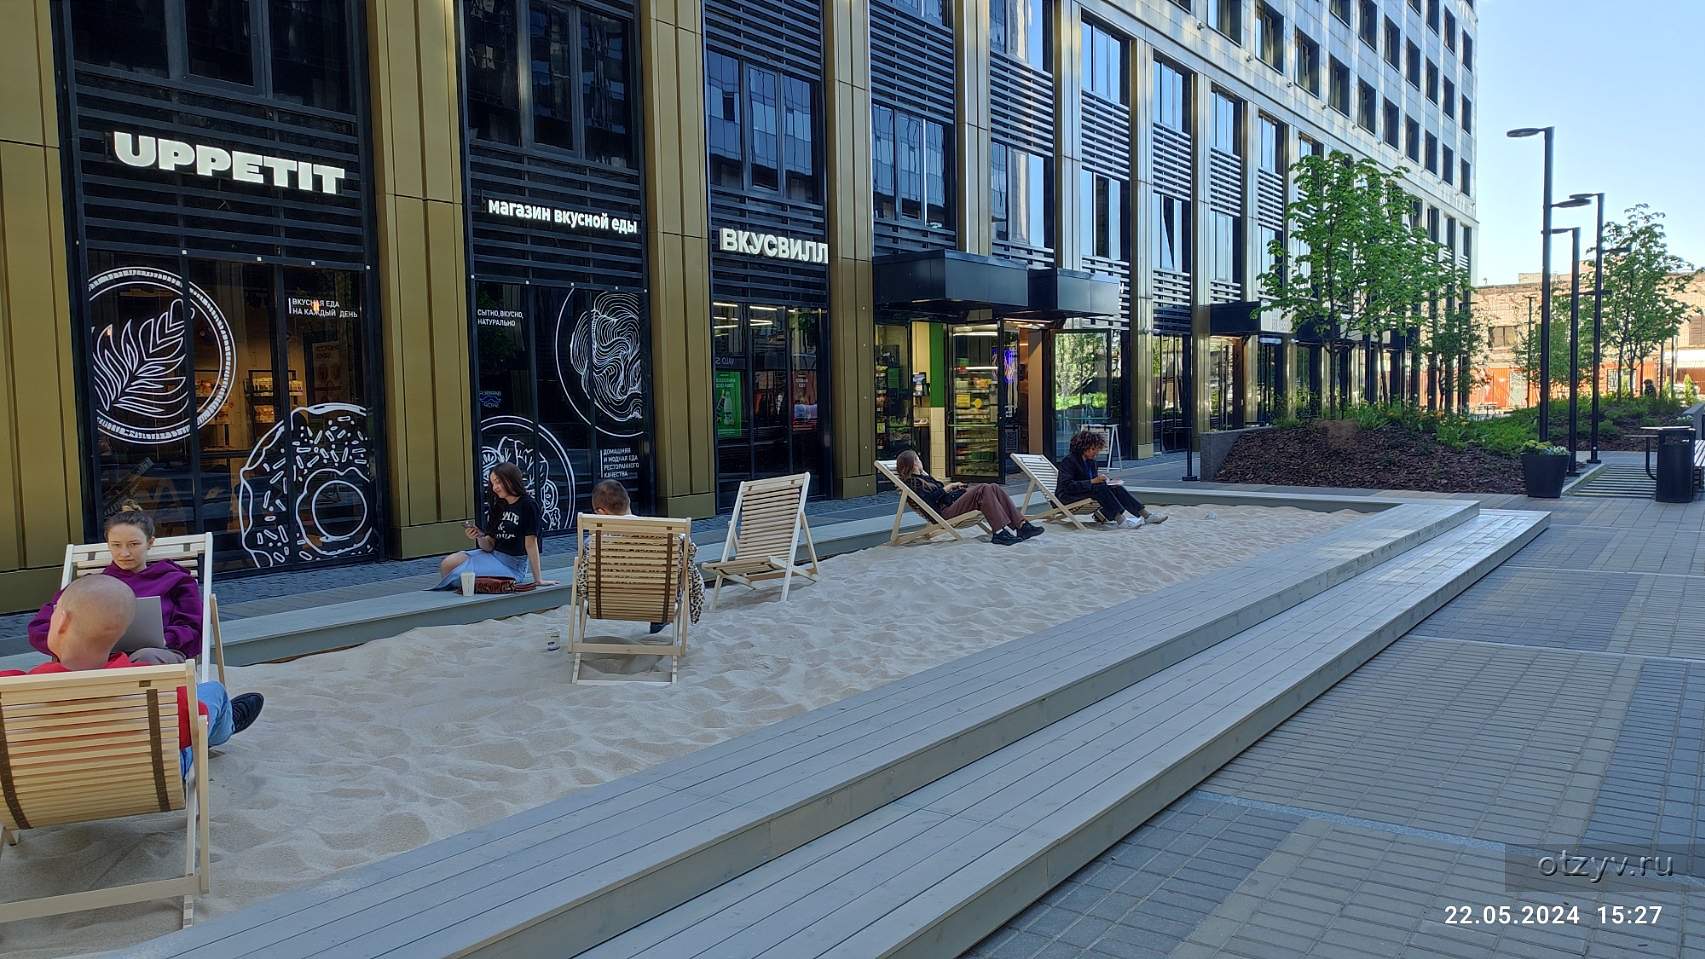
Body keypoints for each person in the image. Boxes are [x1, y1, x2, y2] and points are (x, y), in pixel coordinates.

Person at [2, 576, 262, 774]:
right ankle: (226, 728)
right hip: (144, 781)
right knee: (212, 693)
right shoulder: (154, 687)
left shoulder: (11, 686)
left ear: (61, 621)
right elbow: (192, 731)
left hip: (43, 788)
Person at [28, 501, 202, 666]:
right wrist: (71, 645)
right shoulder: (91, 585)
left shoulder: (175, 580)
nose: (124, 553)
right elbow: (40, 627)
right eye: (116, 545)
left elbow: (193, 626)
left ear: (150, 543)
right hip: (100, 659)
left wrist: (166, 639)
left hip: (157, 653)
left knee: (145, 657)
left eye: (133, 544)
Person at [582, 479, 704, 630]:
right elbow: (690, 571)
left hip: (605, 604)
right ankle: (659, 618)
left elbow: (583, 580)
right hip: (659, 604)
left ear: (601, 512)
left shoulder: (592, 544)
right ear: (628, 501)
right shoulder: (673, 538)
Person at [435, 463, 557, 590]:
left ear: (511, 480)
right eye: (492, 483)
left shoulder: (528, 505)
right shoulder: (499, 506)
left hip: (512, 566)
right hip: (492, 555)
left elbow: (531, 544)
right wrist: (479, 536)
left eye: (498, 482)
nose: (495, 488)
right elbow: (489, 546)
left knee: (460, 578)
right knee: (447, 564)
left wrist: (538, 580)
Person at [894, 450, 1041, 546]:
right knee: (984, 488)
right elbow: (929, 500)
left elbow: (939, 493)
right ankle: (999, 533)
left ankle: (1022, 526)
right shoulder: (913, 483)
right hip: (946, 513)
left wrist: (953, 488)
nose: (921, 461)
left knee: (993, 487)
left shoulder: (924, 478)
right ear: (914, 463)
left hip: (952, 503)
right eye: (918, 459)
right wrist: (948, 487)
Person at [1057, 429, 1167, 529]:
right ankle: (1121, 521)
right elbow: (1067, 486)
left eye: (1097, 449)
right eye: (1093, 449)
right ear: (1083, 447)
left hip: (1086, 492)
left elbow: (1094, 482)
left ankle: (1147, 516)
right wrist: (1093, 481)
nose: (1096, 452)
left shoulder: (1091, 462)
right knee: (1100, 488)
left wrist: (1106, 481)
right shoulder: (1069, 461)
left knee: (1115, 487)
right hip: (1067, 497)